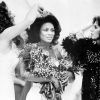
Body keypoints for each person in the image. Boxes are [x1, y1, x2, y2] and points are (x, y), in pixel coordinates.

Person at [19, 10, 75, 100]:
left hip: (55, 96)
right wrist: (50, 78)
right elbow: (23, 74)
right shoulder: (28, 49)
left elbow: (66, 70)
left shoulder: (56, 51)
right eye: (46, 30)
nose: (50, 33)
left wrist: (68, 74)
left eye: (52, 30)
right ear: (38, 31)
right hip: (36, 95)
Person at [0, 1, 43, 100]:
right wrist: (36, 4)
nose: (13, 16)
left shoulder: (6, 40)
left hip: (7, 88)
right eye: (10, 14)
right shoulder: (4, 36)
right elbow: (29, 19)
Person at [62, 16, 100, 100]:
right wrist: (89, 25)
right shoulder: (90, 45)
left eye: (95, 27)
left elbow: (91, 58)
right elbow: (68, 42)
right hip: (85, 92)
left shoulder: (91, 49)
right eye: (92, 27)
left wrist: (81, 41)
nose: (91, 30)